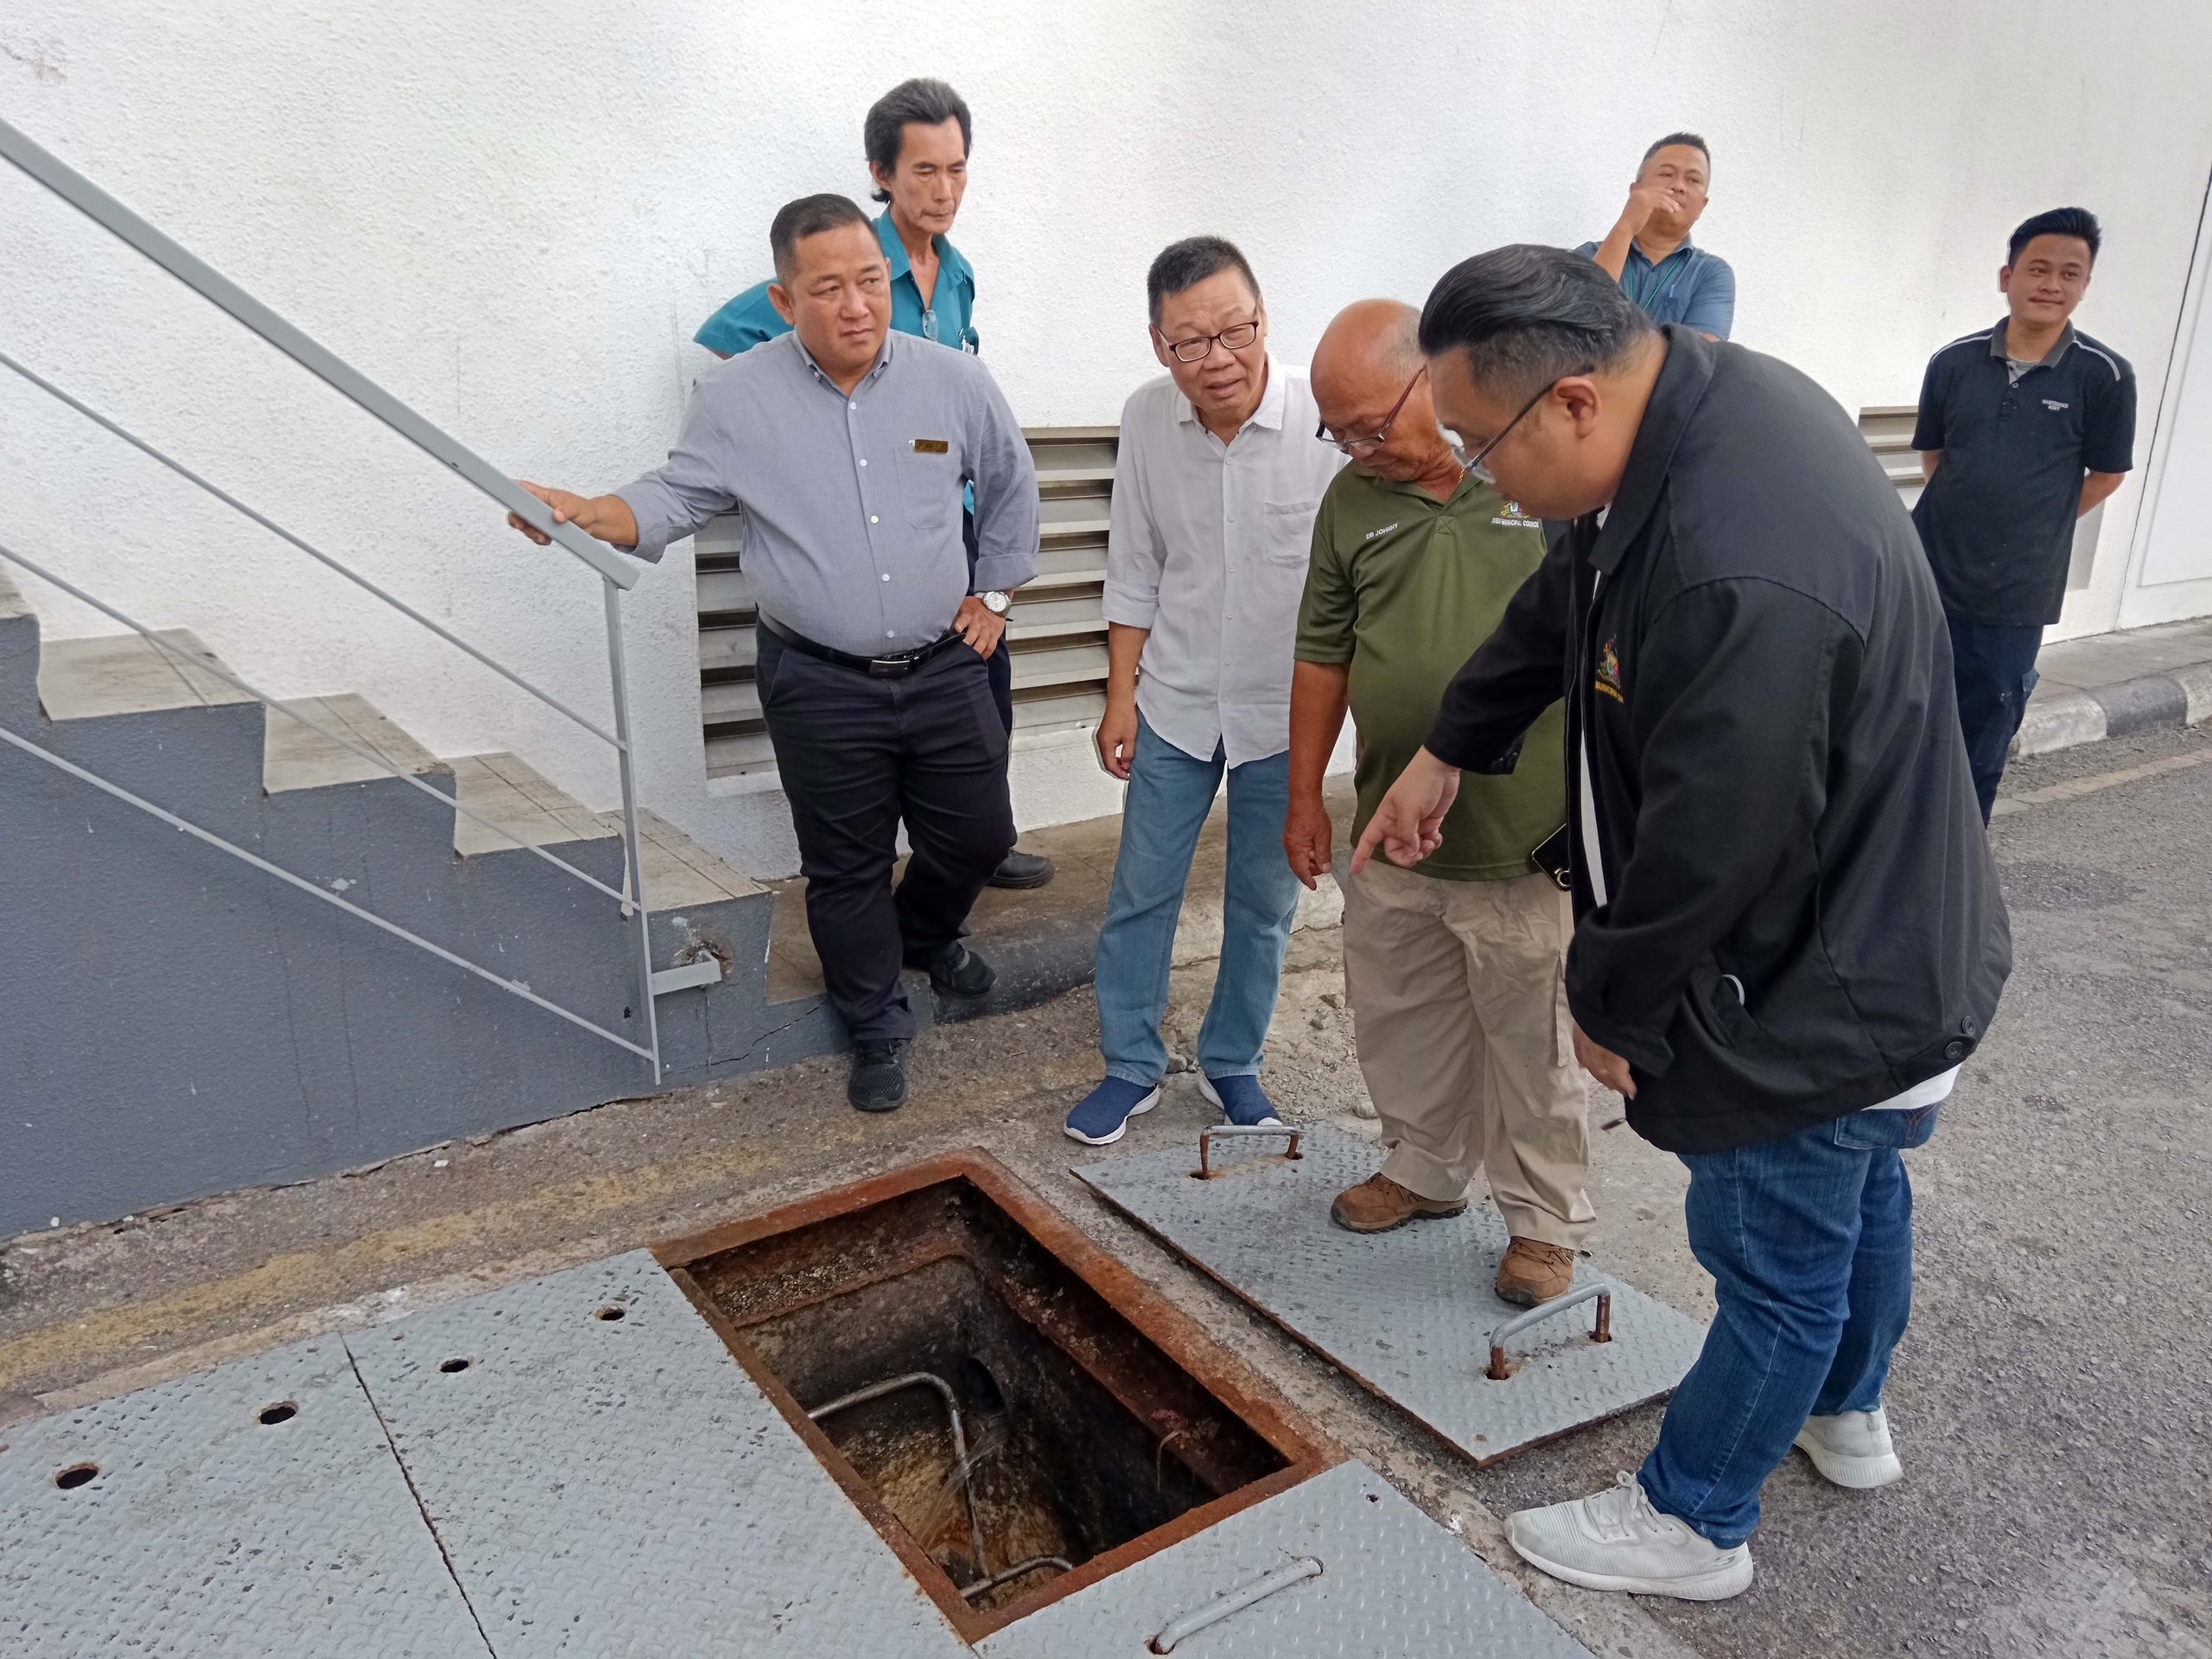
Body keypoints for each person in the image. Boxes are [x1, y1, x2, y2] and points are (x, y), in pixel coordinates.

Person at [1357, 245, 2008, 1599]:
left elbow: (1717, 842)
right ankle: (1847, 1411)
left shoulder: (1731, 563)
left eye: (1482, 447)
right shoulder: (1702, 401)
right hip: (1898, 934)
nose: (1480, 475)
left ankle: (1695, 1517)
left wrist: (1612, 1002)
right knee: (1862, 1182)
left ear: (1575, 400)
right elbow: (1565, 599)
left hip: (1820, 972)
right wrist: (1449, 748)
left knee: (1773, 1255)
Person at [505, 194, 1039, 1114]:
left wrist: (993, 593)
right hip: (819, 681)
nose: (856, 306)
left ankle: (924, 931)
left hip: (945, 664)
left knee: (980, 834)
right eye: (827, 289)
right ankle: (875, 1026)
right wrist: (590, 513)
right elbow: (674, 497)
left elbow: (1010, 480)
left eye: (869, 281)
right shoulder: (736, 398)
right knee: (843, 867)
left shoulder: (952, 381)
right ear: (785, 301)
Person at [1287, 299, 1588, 1307]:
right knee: (1402, 1013)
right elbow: (1322, 651)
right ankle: (1421, 1168)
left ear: (1435, 381)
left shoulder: (1534, 475)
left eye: (1375, 423)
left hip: (1525, 834)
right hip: (1393, 826)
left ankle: (1542, 1223)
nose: (1361, 448)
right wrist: (1305, 797)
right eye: (1342, 432)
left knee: (1530, 1036)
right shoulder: (1352, 500)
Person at [693, 77, 1053, 888]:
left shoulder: (955, 273)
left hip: (950, 526)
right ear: (881, 174)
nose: (944, 189)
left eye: (957, 169)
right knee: (873, 762)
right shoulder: (849, 263)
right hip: (862, 535)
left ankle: (969, 846)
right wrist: (807, 443)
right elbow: (733, 341)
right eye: (923, 171)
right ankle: (921, 867)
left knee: (983, 694)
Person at [1061, 237, 1344, 1147]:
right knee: (1142, 890)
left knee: (1264, 901)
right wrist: (1118, 695)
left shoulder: (1324, 421)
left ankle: (1232, 1061)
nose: (1219, 360)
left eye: (1237, 331)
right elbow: (1133, 563)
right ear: (1158, 345)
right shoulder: (1147, 421)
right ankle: (1130, 1064)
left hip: (1280, 713)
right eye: (1191, 343)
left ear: (1264, 318)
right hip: (1175, 699)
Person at [1912, 207, 2137, 820]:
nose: (2051, 284)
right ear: (2006, 276)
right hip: (1927, 575)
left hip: (2016, 593)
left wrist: (2038, 520)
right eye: (2038, 268)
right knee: (1900, 718)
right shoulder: (1953, 362)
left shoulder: (2106, 375)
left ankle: (1956, 867)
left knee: (1983, 739)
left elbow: (2108, 474)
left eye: (2070, 273)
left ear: (2084, 286)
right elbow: (1935, 454)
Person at [1576, 133, 1735, 340]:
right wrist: (1625, 226)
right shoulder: (1588, 255)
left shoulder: (1711, 273)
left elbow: (1700, 357)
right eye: (1667, 174)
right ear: (1636, 191)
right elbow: (1576, 325)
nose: (1678, 186)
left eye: (1693, 179)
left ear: (1702, 207)